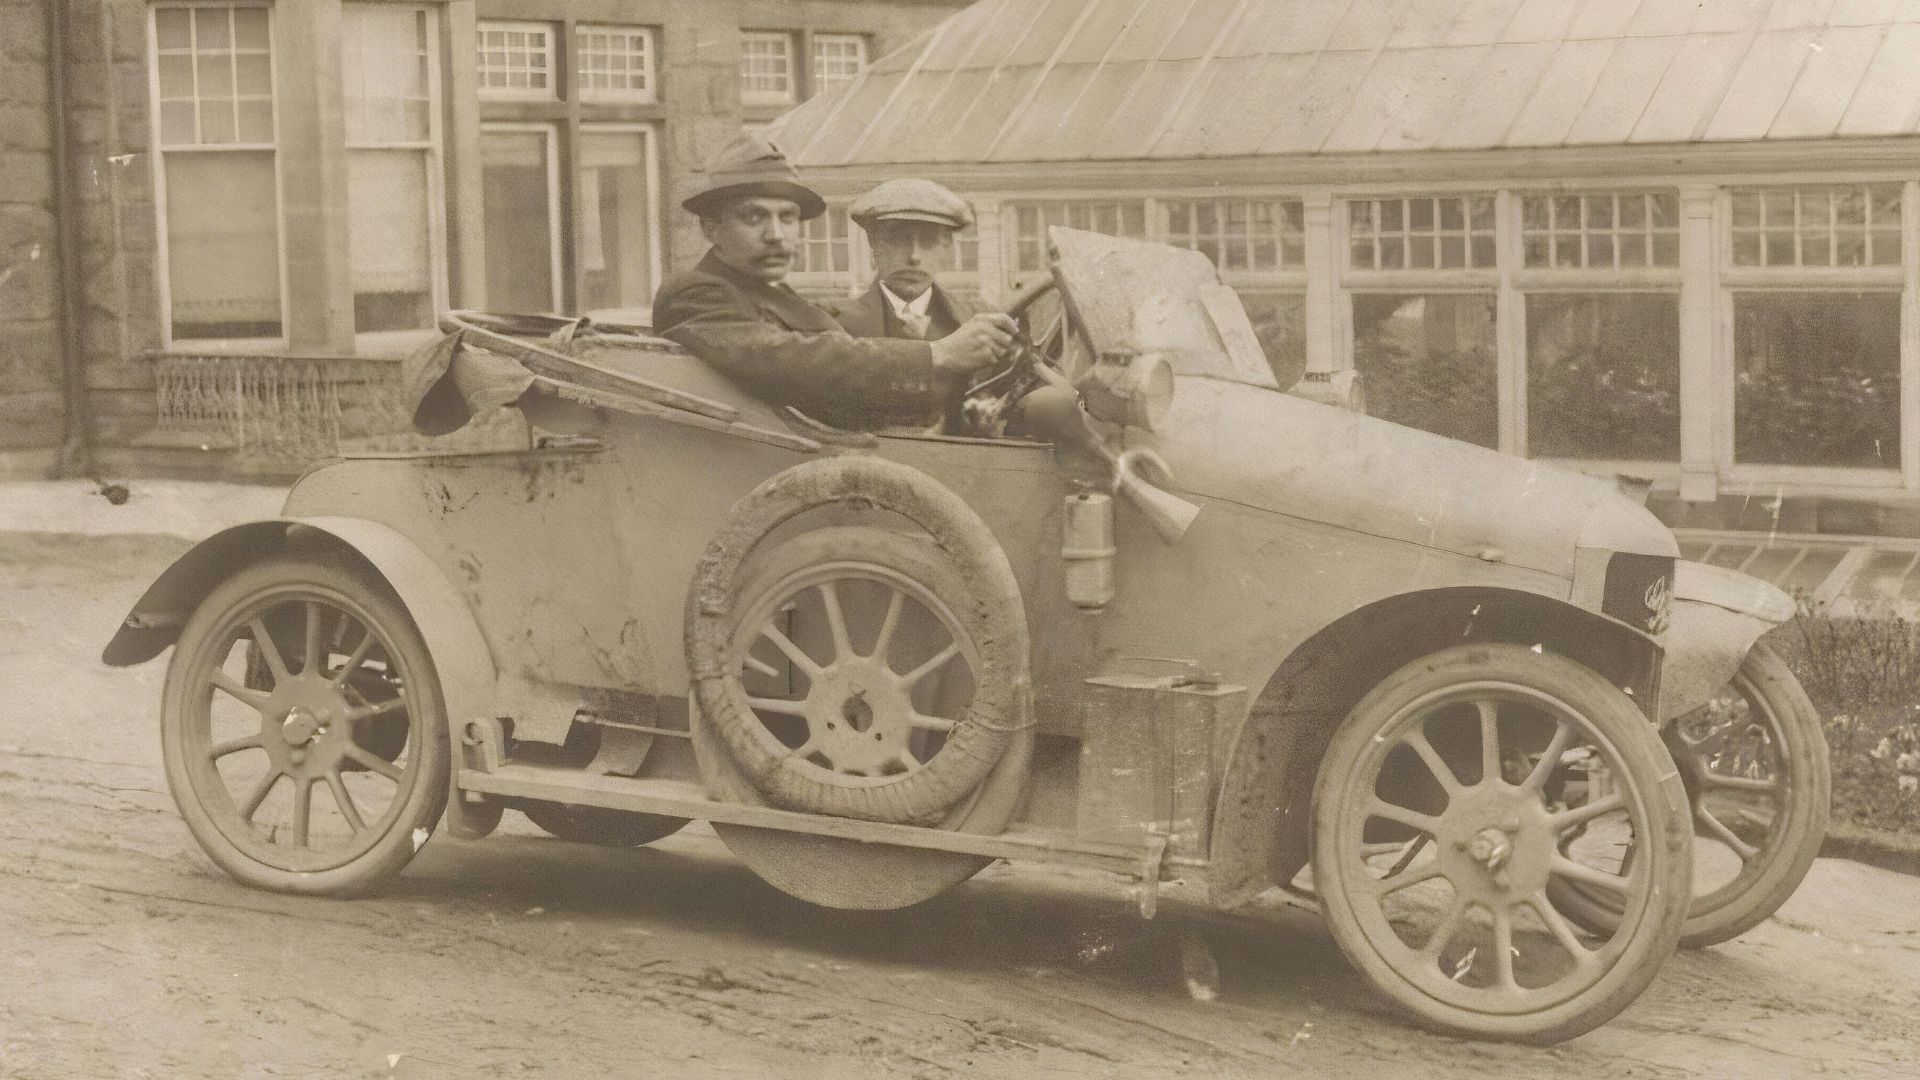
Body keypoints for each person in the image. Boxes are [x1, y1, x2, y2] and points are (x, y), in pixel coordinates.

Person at [651, 137, 1014, 431]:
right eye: (754, 216)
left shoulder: (772, 296)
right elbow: (797, 360)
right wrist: (939, 354)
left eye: (788, 218)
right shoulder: (696, 294)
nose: (776, 235)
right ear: (711, 228)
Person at [826, 179, 981, 342]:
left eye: (928, 241)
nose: (914, 256)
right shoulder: (838, 327)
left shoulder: (972, 323)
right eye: (899, 240)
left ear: (946, 246)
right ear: (874, 242)